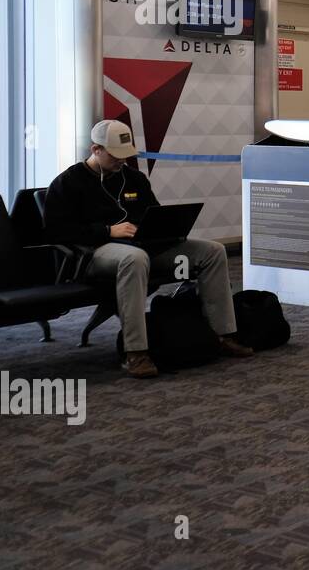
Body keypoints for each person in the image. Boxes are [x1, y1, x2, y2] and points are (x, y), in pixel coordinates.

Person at [43, 119, 253, 378]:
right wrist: (108, 231)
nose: (122, 161)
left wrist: (163, 231)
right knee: (135, 258)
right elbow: (57, 231)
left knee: (211, 251)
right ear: (95, 149)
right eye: (114, 155)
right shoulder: (68, 183)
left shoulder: (134, 179)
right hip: (95, 251)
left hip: (144, 245)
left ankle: (223, 334)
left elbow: (151, 213)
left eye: (126, 155)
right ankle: (136, 353)